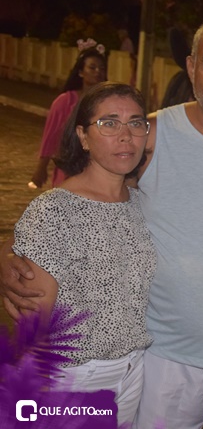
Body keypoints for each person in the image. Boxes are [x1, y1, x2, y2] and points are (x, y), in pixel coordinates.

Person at [2, 15, 203, 428]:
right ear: (191, 67)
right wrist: (13, 252)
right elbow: (82, 197)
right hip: (161, 355)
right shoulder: (148, 135)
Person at [13, 81, 156, 426]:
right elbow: (34, 318)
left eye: (136, 123)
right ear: (83, 136)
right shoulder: (53, 210)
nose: (126, 136)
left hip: (134, 371)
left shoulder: (142, 204)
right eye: (109, 123)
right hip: (75, 376)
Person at [31, 41, 107, 188]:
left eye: (102, 68)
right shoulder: (65, 101)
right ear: (81, 72)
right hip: (69, 170)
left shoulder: (108, 102)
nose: (98, 71)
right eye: (92, 67)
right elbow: (51, 135)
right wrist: (41, 167)